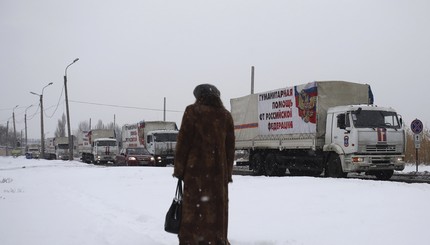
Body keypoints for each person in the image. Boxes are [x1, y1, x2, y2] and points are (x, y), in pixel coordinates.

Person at [173, 84, 235, 245]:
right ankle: (216, 239)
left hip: (195, 174)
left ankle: (193, 240)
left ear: (199, 96)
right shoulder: (225, 116)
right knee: (216, 212)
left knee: (194, 212)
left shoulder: (192, 112)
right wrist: (227, 174)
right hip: (217, 176)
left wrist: (179, 170)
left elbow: (183, 143)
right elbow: (230, 148)